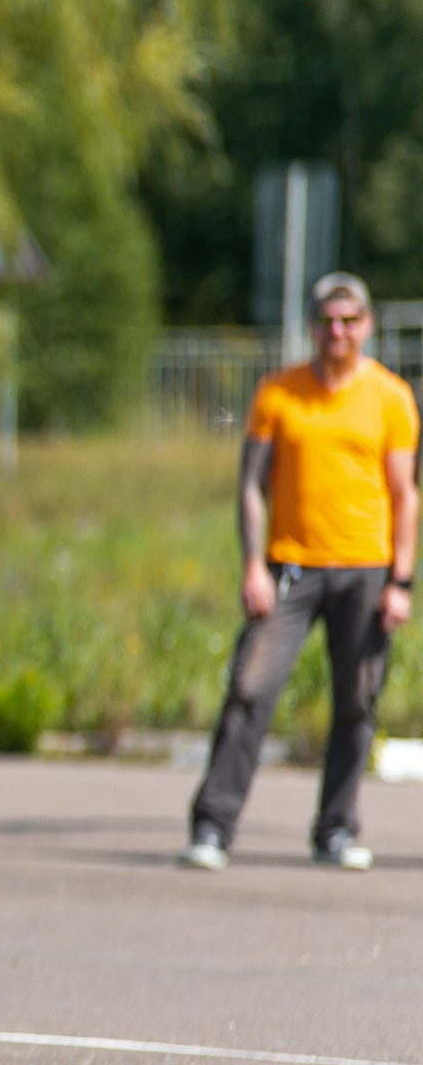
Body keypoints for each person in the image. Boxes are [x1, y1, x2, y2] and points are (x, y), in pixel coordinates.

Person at [185, 272, 419, 872]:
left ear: (366, 325)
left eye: (348, 321)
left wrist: (401, 580)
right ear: (312, 325)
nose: (336, 332)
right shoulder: (279, 393)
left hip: (365, 568)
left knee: (357, 701)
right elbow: (250, 487)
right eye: (325, 321)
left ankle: (335, 829)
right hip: (289, 565)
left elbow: (404, 494)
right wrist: (252, 565)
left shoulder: (391, 397)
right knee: (249, 689)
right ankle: (213, 825)